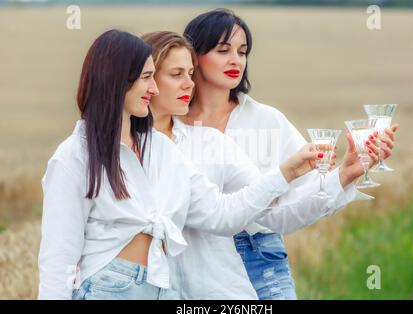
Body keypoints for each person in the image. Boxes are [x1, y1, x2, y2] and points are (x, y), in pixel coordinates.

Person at [37, 29, 326, 300]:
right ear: (117, 80)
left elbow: (222, 214)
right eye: (146, 77)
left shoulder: (162, 149)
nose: (153, 88)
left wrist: (287, 172)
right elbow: (58, 257)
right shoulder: (74, 156)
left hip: (163, 288)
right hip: (106, 288)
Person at [142, 31, 387, 299]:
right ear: (145, 79)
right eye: (177, 74)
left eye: (189, 74)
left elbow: (273, 211)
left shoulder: (211, 142)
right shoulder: (109, 145)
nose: (188, 83)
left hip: (219, 287)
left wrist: (343, 175)